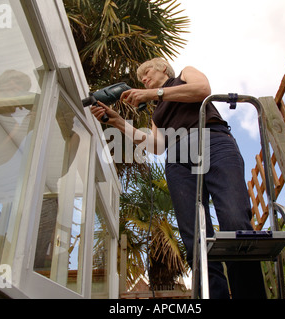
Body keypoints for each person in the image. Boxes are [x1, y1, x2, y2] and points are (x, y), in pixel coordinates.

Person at [90, 57, 266, 299]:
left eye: (147, 71)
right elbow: (156, 146)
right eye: (142, 78)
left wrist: (152, 93)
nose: (143, 79)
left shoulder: (185, 74)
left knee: (235, 222)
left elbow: (202, 90)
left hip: (213, 141)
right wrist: (118, 122)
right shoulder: (157, 113)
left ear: (163, 67)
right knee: (195, 238)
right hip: (178, 158)